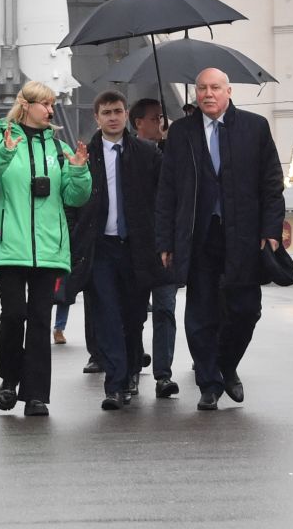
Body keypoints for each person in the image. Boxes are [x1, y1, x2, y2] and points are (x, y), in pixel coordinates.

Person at [155, 68, 284, 412]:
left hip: (243, 236)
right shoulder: (181, 133)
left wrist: (271, 231)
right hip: (199, 236)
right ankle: (209, 383)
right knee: (201, 313)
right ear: (195, 94)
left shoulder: (254, 128)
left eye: (215, 88)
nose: (208, 94)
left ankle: (226, 365)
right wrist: (165, 241)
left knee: (246, 310)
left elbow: (272, 184)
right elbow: (167, 191)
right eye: (201, 89)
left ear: (228, 91)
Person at [0, 81, 90, 418]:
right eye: (45, 105)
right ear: (27, 106)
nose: (51, 111)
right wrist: (4, 154)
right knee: (14, 315)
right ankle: (9, 379)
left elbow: (75, 197)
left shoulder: (59, 148)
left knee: (39, 319)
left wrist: (79, 169)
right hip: (11, 246)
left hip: (48, 248)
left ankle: (36, 394)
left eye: (52, 105)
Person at [70, 89, 164, 410]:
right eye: (106, 112)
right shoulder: (85, 153)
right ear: (96, 118)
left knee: (134, 315)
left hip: (136, 247)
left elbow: (163, 197)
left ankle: (133, 368)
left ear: (126, 116)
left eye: (118, 111)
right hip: (101, 249)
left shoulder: (147, 153)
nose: (112, 117)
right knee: (106, 314)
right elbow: (73, 199)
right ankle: (114, 384)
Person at [130, 97, 180, 397]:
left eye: (163, 117)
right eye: (155, 118)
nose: (161, 122)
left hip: (165, 248)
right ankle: (133, 368)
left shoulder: (172, 154)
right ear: (139, 123)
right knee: (134, 313)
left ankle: (163, 373)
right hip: (137, 245)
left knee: (165, 310)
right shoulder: (128, 154)